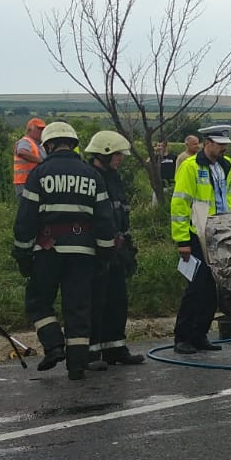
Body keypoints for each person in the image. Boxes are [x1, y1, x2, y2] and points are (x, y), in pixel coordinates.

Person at [11, 121, 116, 381]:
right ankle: (77, 366)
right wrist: (105, 255)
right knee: (78, 307)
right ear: (74, 144)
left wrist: (23, 254)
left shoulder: (39, 173)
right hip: (83, 253)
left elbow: (25, 219)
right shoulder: (92, 175)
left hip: (48, 251)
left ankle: (54, 345)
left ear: (47, 145)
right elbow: (105, 220)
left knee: (37, 300)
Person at [171, 125, 231, 355]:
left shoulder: (226, 165)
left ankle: (200, 335)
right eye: (220, 146)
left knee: (212, 288)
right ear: (207, 143)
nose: (223, 150)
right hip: (195, 233)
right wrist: (182, 240)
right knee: (196, 287)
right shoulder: (191, 167)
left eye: (225, 146)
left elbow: (230, 190)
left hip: (218, 233)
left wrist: (226, 215)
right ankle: (183, 337)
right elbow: (179, 204)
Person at [82, 131, 147, 370]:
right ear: (105, 152)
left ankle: (115, 348)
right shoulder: (91, 177)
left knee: (117, 300)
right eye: (118, 154)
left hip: (117, 250)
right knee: (96, 301)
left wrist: (127, 246)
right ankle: (91, 352)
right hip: (98, 251)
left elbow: (120, 214)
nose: (121, 158)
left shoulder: (114, 177)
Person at [13, 119, 46, 198]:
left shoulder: (40, 146)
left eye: (43, 129)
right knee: (27, 209)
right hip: (25, 184)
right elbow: (22, 152)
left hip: (34, 183)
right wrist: (42, 162)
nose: (42, 132)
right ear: (30, 129)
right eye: (39, 129)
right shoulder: (25, 141)